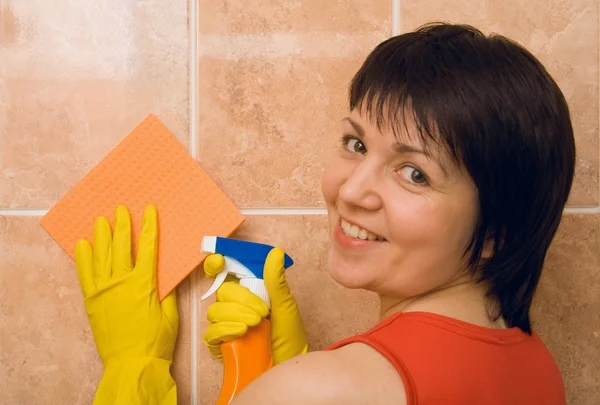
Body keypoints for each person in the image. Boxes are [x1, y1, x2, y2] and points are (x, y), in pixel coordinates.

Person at [75, 23, 575, 404]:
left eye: (414, 173)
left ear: (496, 233)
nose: (352, 190)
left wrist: (131, 365)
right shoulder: (538, 368)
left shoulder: (319, 390)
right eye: (356, 143)